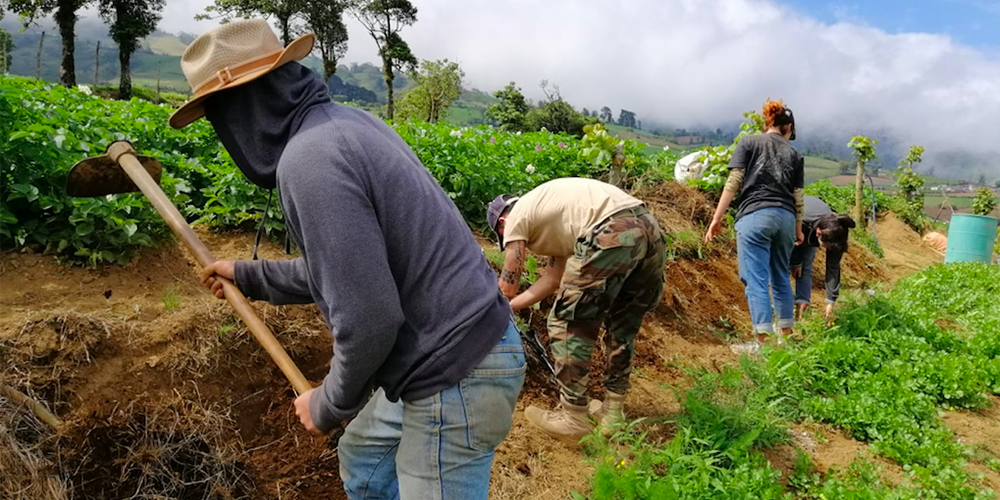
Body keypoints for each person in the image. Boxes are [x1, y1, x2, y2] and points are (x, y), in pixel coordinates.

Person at [174, 20, 524, 499]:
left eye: (218, 116)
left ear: (244, 109)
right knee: (365, 459)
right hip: (458, 350)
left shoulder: (310, 160)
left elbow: (371, 317)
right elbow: (351, 271)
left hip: (456, 372)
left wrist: (329, 403)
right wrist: (249, 275)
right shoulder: (343, 124)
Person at [487, 177, 666, 444]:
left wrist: (492, 310)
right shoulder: (556, 213)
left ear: (502, 223)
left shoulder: (516, 216)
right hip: (649, 228)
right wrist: (512, 308)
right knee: (622, 324)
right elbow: (552, 279)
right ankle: (612, 413)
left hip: (611, 230)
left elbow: (507, 286)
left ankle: (573, 417)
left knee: (565, 323)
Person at [704, 99, 805, 353]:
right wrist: (798, 228)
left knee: (757, 279)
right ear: (788, 127)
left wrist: (717, 218)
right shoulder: (794, 154)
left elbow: (734, 180)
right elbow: (798, 196)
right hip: (786, 218)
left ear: (767, 123)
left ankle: (764, 343)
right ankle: (787, 337)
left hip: (755, 215)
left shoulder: (749, 142)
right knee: (781, 275)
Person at [791, 196, 856, 322]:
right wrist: (796, 261)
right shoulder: (804, 220)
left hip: (810, 230)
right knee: (785, 268)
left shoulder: (837, 232)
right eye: (825, 246)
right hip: (792, 222)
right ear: (819, 234)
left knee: (805, 269)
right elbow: (790, 241)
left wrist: (830, 303)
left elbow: (833, 268)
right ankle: (781, 316)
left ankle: (801, 310)